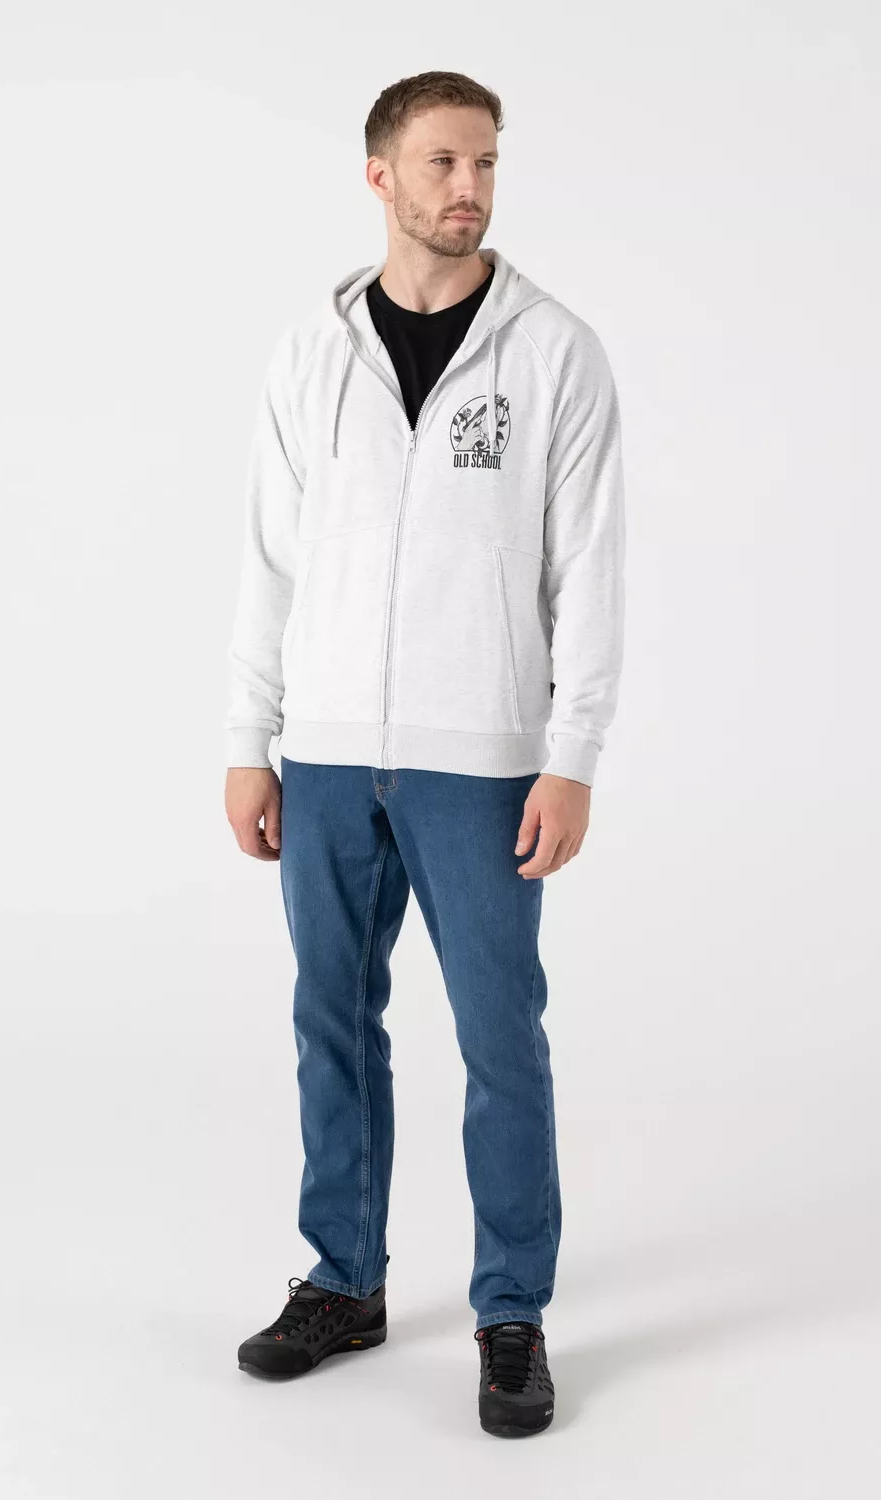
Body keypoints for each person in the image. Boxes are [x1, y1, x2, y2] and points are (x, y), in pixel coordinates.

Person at [221, 70, 626, 1438]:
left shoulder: (554, 352)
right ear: (380, 175)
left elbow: (589, 571)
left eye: (488, 163)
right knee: (330, 1023)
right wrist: (251, 740)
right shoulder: (309, 352)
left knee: (501, 1039)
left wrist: (572, 753)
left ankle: (512, 1312)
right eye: (445, 162)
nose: (471, 188)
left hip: (485, 759)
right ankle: (344, 1281)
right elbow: (270, 562)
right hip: (328, 752)